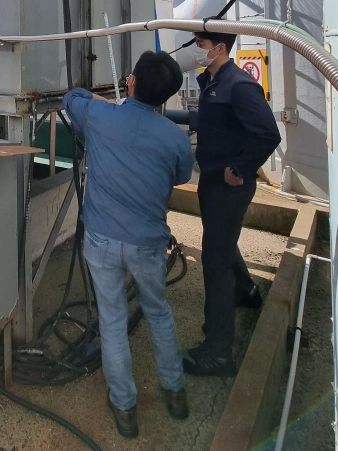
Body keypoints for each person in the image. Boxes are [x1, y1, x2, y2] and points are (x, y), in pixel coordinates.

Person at [64, 51, 194, 439]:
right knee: (158, 314)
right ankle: (174, 392)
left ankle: (124, 407)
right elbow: (181, 176)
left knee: (113, 320)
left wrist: (103, 101)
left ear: (132, 82)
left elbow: (71, 97)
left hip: (102, 239)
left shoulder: (100, 116)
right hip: (148, 244)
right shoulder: (175, 137)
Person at [182, 29, 281, 377]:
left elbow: (268, 133)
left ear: (220, 48)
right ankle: (246, 292)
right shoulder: (212, 81)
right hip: (213, 181)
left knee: (215, 260)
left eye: (201, 44)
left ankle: (218, 353)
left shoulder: (238, 85)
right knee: (221, 242)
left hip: (229, 185)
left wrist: (240, 168)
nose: (196, 49)